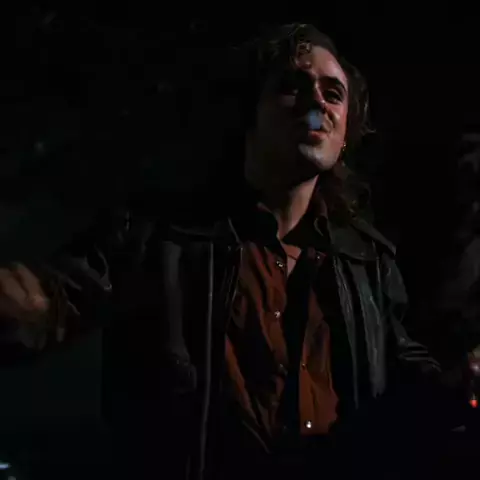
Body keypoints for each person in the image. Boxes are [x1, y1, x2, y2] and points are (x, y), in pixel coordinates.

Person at [0, 23, 463, 480]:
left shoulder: (366, 262)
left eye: (333, 94)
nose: (317, 104)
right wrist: (23, 304)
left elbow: (402, 372)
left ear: (345, 136)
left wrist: (458, 383)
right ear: (249, 112)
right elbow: (55, 298)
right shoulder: (158, 238)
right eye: (292, 86)